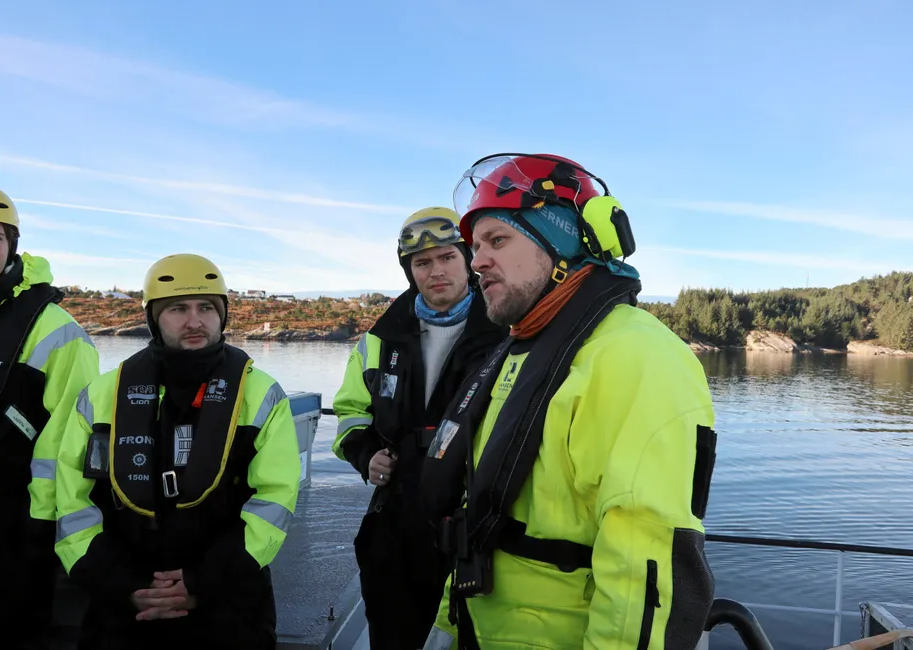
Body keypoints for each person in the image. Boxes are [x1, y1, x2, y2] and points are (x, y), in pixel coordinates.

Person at [419, 154, 718, 650]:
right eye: (475, 248)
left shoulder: (633, 356)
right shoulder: (525, 352)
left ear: (560, 245)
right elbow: (487, 510)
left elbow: (645, 570)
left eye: (498, 240)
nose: (476, 262)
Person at [54, 253, 301, 650]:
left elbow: (273, 499)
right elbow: (72, 501)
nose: (194, 321)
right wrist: (124, 585)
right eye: (176, 309)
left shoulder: (260, 395)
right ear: (154, 318)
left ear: (223, 316)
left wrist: (203, 582)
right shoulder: (102, 396)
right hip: (125, 603)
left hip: (228, 600)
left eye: (206, 307)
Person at [332, 207, 507, 649]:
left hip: (476, 521)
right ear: (410, 270)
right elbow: (351, 411)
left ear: (468, 259)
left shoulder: (509, 329)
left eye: (447, 257)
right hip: (395, 520)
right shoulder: (380, 338)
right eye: (422, 263)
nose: (437, 271)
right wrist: (365, 453)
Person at [0, 182, 100, 649]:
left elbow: (71, 444)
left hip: (10, 533)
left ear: (12, 245)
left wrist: (40, 529)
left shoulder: (58, 333)